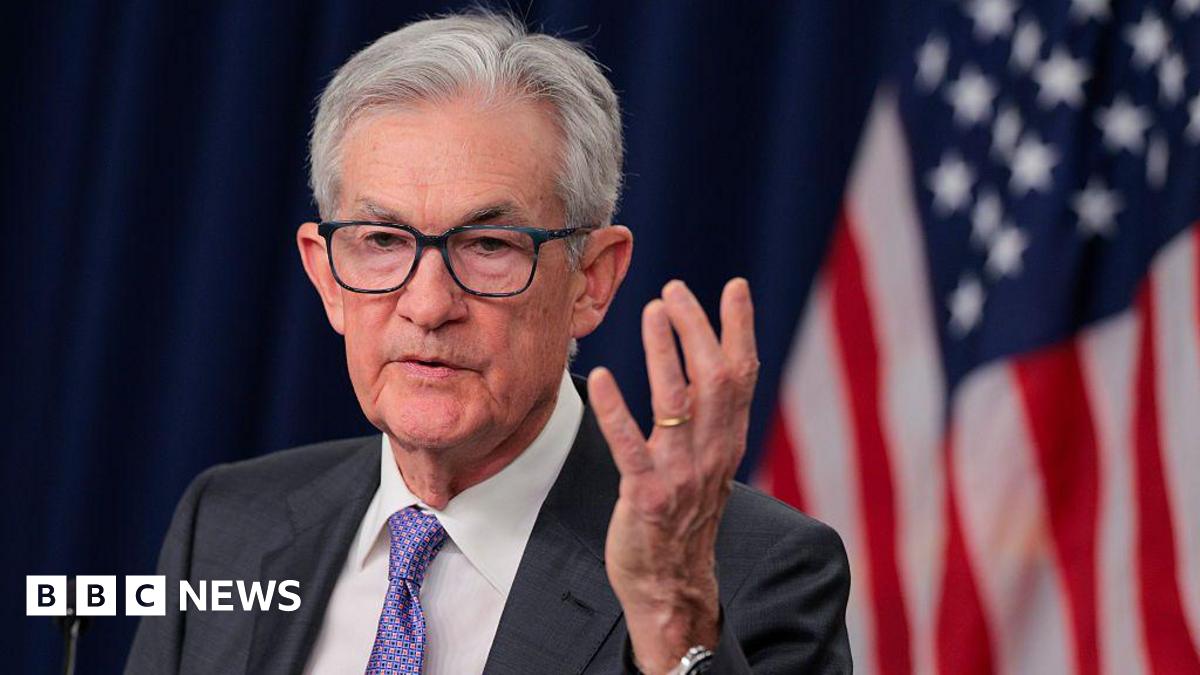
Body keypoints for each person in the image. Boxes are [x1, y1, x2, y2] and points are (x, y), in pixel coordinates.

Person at [126, 10, 851, 674]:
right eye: (382, 240)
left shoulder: (749, 572)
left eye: (488, 244)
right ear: (326, 276)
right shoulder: (224, 526)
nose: (428, 304)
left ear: (591, 281)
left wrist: (671, 615)